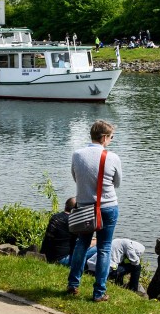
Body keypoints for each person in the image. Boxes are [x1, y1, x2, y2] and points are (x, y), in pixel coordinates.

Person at [66, 120, 122, 302]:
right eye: (111, 137)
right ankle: (99, 292)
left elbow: (75, 177)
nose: (111, 141)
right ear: (104, 137)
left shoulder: (77, 154)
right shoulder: (112, 157)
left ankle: (73, 284)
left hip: (84, 206)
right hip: (107, 207)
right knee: (104, 248)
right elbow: (117, 183)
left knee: (81, 244)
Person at [39, 197, 76, 264]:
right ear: (75, 209)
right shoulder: (73, 221)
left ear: (65, 205)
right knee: (96, 248)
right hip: (63, 258)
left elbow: (48, 239)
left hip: (49, 257)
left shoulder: (55, 217)